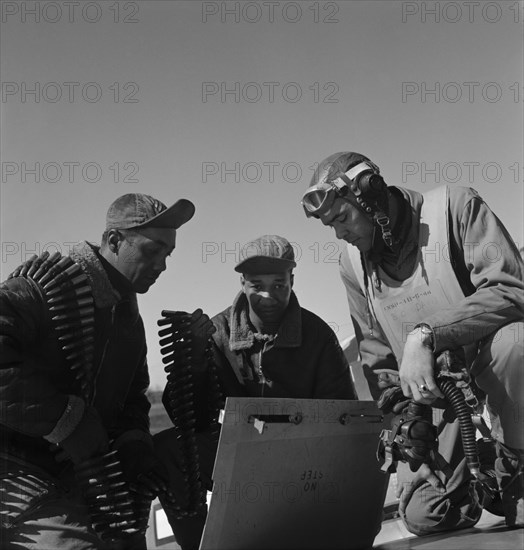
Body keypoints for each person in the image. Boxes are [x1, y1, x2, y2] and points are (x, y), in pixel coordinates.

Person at [301, 151, 524, 534]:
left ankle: (516, 463)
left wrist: (427, 334)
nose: (339, 234)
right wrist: (405, 423)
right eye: (330, 226)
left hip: (497, 376)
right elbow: (378, 359)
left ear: (369, 196)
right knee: (426, 515)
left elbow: (510, 289)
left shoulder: (454, 207)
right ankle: (480, 462)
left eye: (342, 219)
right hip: (439, 397)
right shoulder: (352, 264)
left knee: (516, 342)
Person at [0, 193, 195, 549]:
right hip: (20, 473)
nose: (162, 265)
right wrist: (64, 421)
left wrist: (133, 441)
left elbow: (134, 396)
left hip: (83, 473)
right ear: (114, 241)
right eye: (153, 250)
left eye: (167, 255)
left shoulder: (127, 318)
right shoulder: (41, 290)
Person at [154, 234, 356, 550]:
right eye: (257, 284)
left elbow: (344, 418)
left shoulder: (318, 336)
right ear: (243, 282)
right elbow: (189, 418)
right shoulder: (217, 333)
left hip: (303, 458)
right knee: (169, 449)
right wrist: (191, 362)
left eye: (279, 284)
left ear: (292, 279)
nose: (268, 295)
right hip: (238, 454)